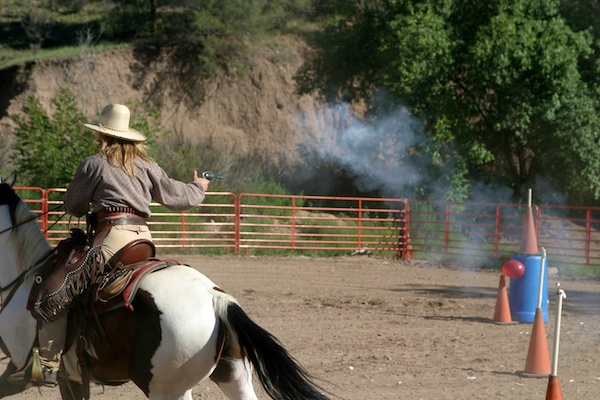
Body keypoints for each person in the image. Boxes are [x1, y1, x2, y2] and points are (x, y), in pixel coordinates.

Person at [9, 103, 210, 386]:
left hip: (111, 239)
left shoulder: (95, 163)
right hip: (142, 240)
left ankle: (48, 365)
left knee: (55, 290)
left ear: (102, 135)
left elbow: (73, 205)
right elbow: (178, 197)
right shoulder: (147, 165)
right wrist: (198, 187)